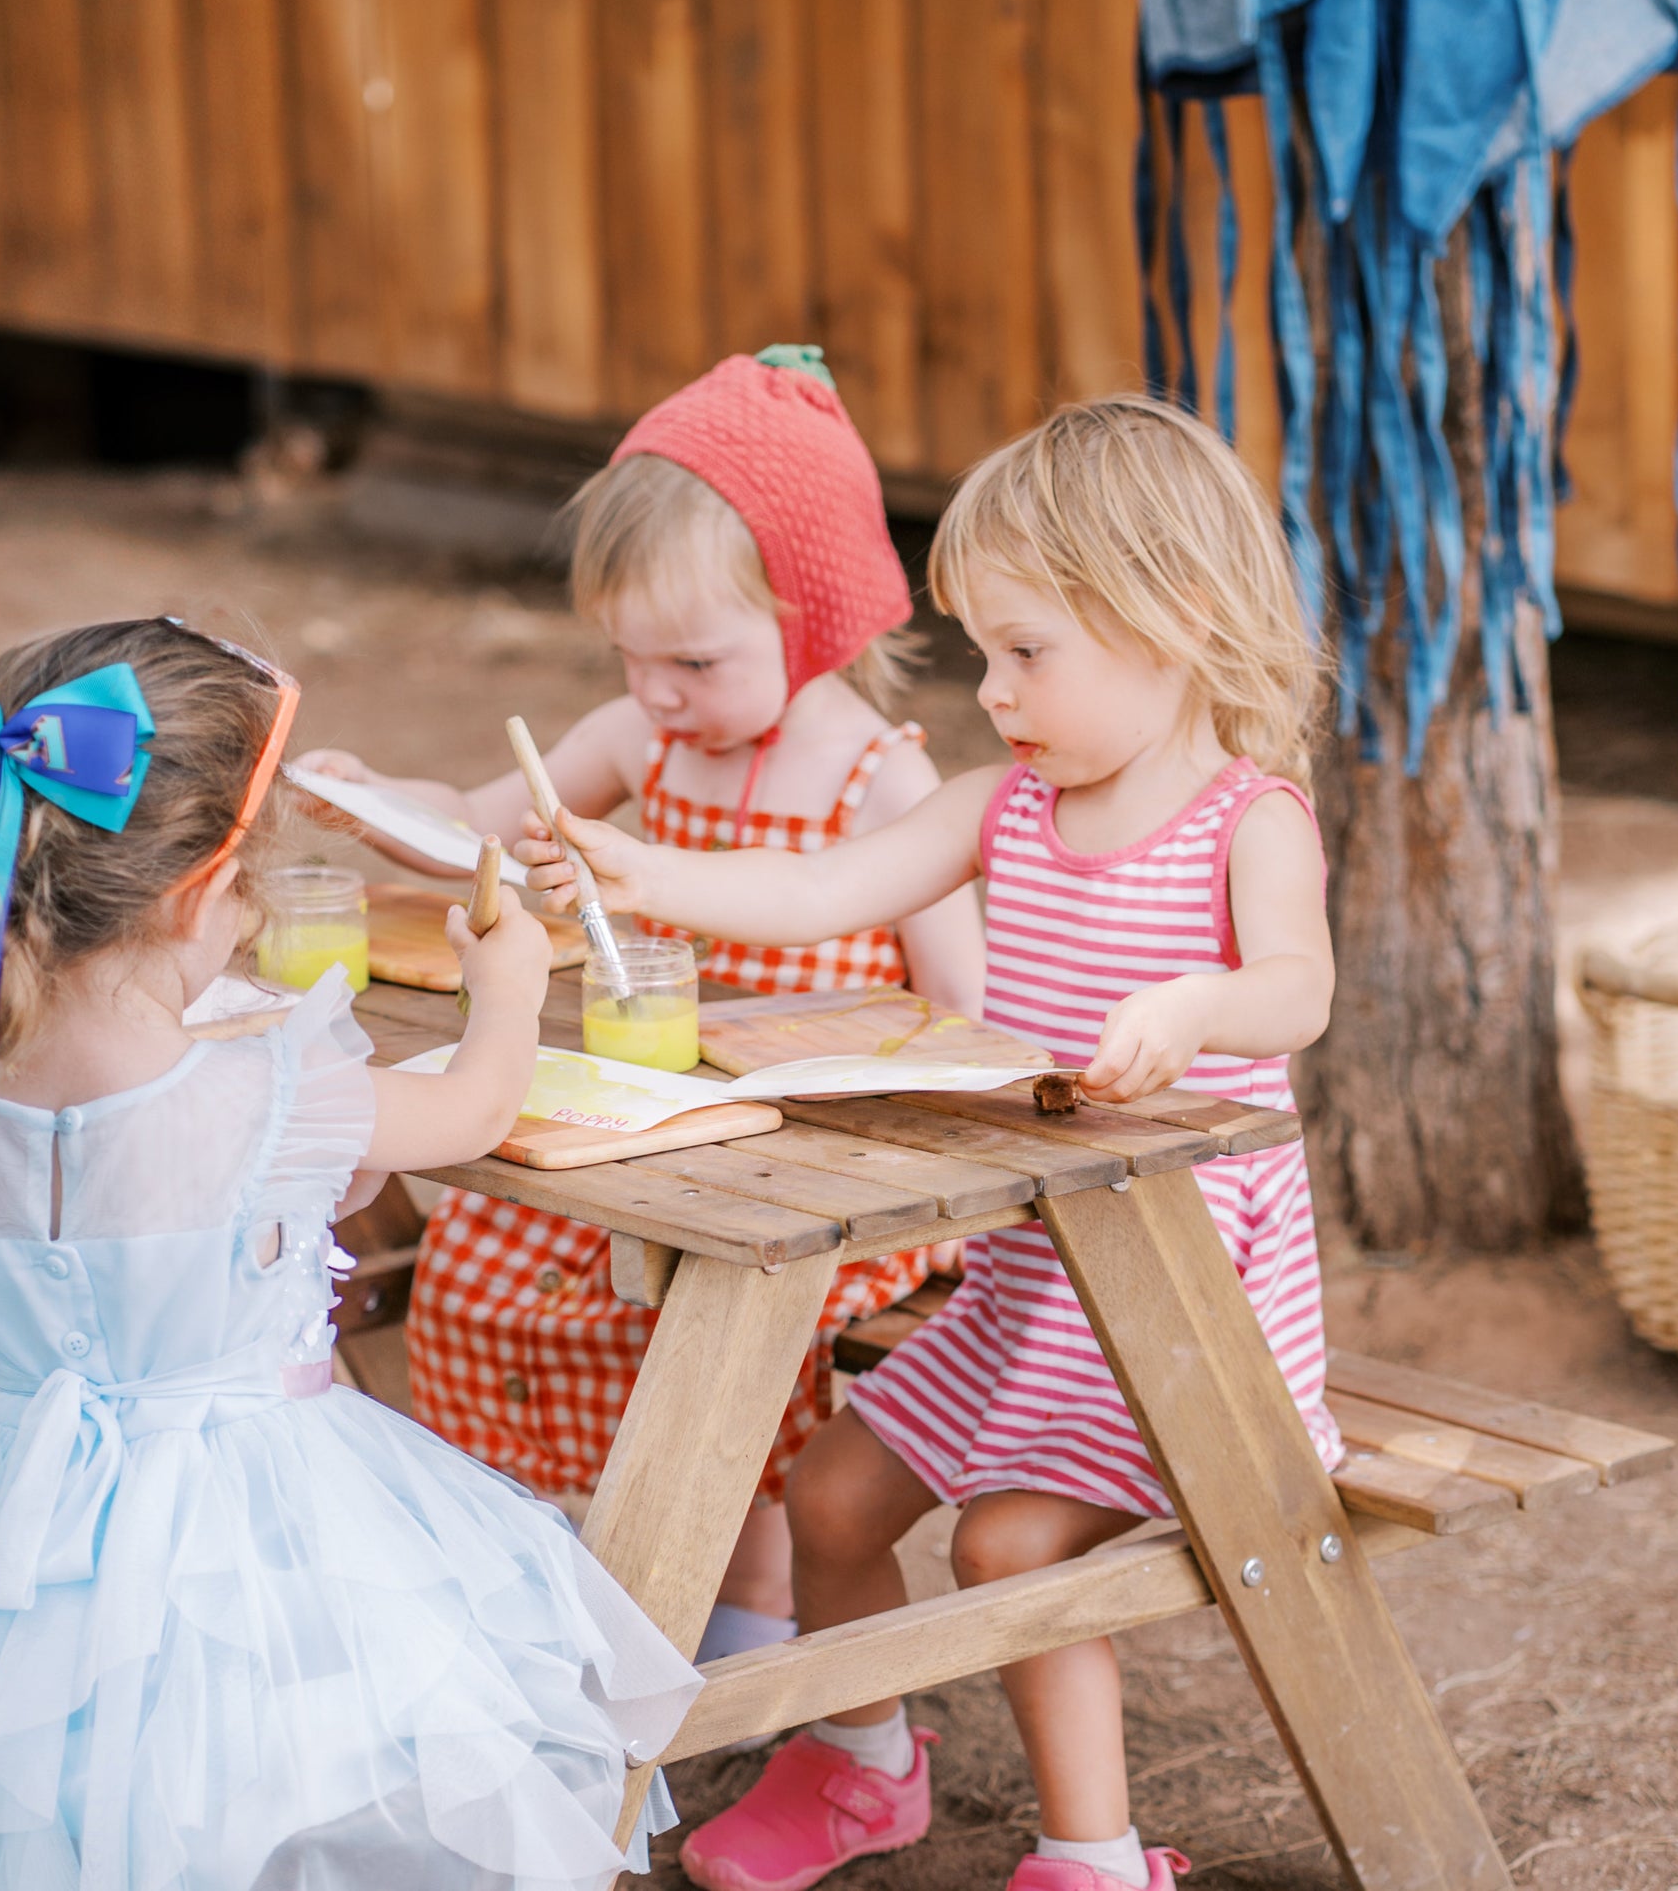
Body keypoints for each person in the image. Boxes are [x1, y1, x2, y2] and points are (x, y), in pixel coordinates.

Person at [522, 397, 1342, 1891]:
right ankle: (858, 1759)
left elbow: (1299, 989)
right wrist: (629, 863)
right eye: (985, 648)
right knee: (830, 1497)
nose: (995, 686)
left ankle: (1092, 1855)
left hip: (1183, 1309)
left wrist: (1202, 996)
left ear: (1175, 620)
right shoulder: (1002, 809)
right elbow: (818, 891)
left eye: (1028, 649)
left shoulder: (1243, 821)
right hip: (1028, 1285)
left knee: (1005, 1547)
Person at [0, 618, 700, 1891]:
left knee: (57, 1787)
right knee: (275, 1774)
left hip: (9, 1516)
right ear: (194, 896)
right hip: (251, 1512)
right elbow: (476, 1111)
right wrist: (506, 986)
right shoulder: (263, 1093)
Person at [303, 346, 984, 1665]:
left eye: (694, 659)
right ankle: (545, 1560)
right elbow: (480, 828)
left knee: (726, 1325)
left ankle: (745, 1609)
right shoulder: (640, 741)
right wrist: (380, 801)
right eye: (630, 658)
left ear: (815, 617)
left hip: (820, 1164)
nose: (660, 691)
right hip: (649, 1122)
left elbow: (965, 1007)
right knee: (480, 1260)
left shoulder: (881, 787)